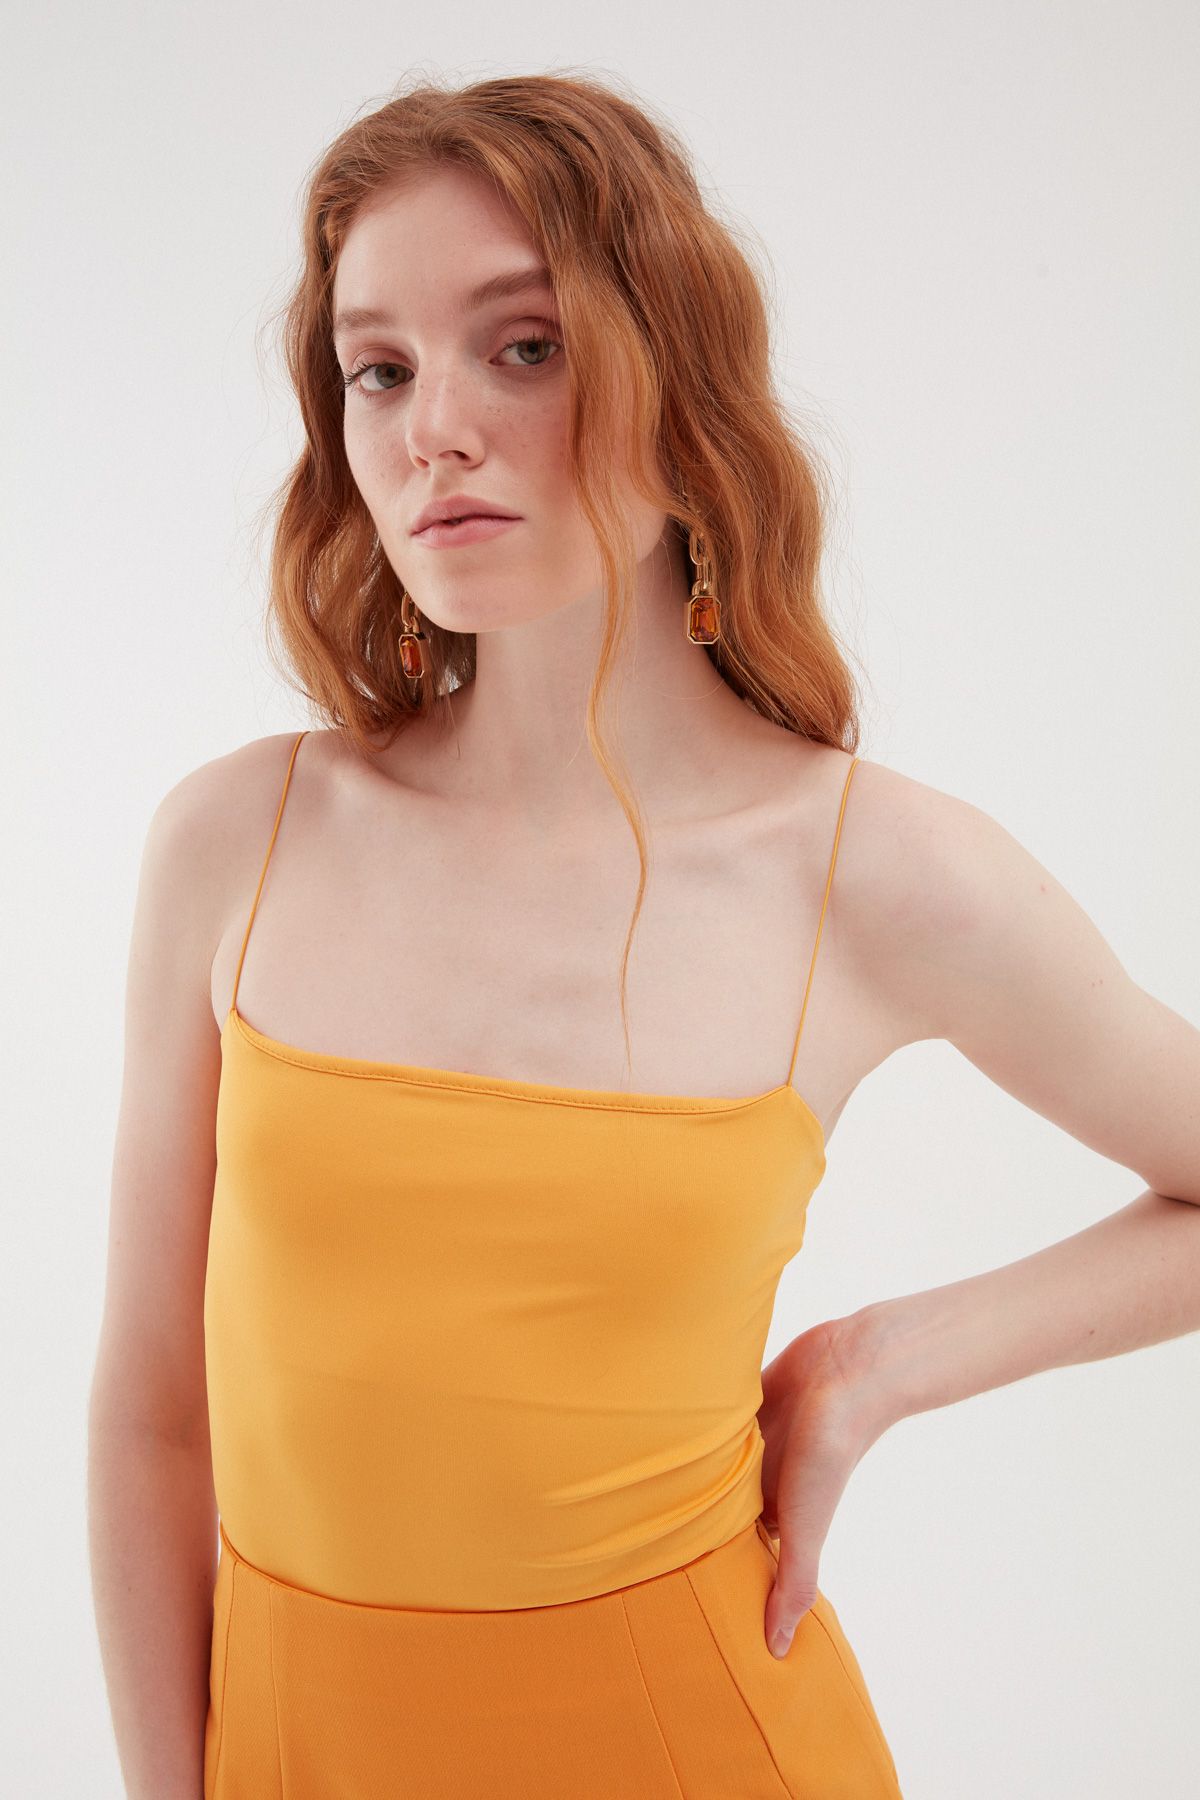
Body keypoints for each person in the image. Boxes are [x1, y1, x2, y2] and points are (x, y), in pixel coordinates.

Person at [87, 70, 1200, 1800]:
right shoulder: (237, 839)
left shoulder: (871, 870)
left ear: (674, 375)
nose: (432, 428)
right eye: (380, 368)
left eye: (522, 347)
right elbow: (155, 1421)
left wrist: (881, 1364)